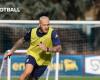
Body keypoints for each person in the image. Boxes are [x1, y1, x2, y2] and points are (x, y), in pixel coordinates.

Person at [5, 16, 62, 80]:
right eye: (44, 25)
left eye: (48, 25)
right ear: (39, 24)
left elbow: (59, 48)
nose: (46, 27)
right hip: (32, 55)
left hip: (44, 60)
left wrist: (47, 49)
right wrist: (12, 51)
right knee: (27, 72)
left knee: (33, 78)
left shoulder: (52, 33)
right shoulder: (33, 32)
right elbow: (22, 40)